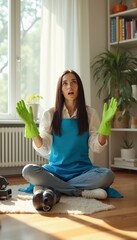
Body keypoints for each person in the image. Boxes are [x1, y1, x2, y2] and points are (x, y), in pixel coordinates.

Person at [16, 69, 118, 203]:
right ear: (61, 89)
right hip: (55, 171)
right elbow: (44, 148)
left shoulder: (90, 113)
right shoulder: (50, 114)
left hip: (82, 172)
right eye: (65, 83)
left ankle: (54, 187)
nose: (69, 86)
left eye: (73, 82)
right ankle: (80, 192)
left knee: (107, 175)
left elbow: (96, 147)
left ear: (79, 87)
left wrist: (104, 127)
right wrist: (32, 129)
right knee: (28, 170)